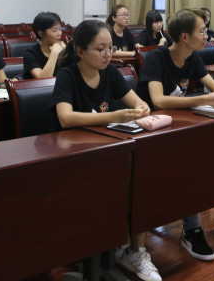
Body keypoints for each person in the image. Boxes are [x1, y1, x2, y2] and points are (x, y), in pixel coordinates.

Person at [136, 9, 214, 262]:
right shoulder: (156, 58)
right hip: (152, 134)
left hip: (182, 126)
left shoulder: (192, 57)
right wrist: (206, 99)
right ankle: (192, 229)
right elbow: (159, 100)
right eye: (202, 31)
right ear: (184, 36)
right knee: (192, 162)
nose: (206, 36)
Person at [52, 19, 158, 281]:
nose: (107, 54)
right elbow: (65, 117)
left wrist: (142, 108)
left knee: (142, 180)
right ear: (80, 51)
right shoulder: (68, 75)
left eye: (110, 48)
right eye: (100, 49)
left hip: (107, 148)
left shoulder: (110, 73)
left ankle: (133, 250)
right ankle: (100, 250)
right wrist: (114, 116)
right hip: (73, 155)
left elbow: (137, 103)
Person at [23, 12, 65, 79]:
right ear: (41, 33)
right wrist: (54, 53)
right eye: (55, 30)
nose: (59, 33)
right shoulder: (30, 53)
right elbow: (43, 79)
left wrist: (65, 54)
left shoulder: (63, 49)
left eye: (60, 29)